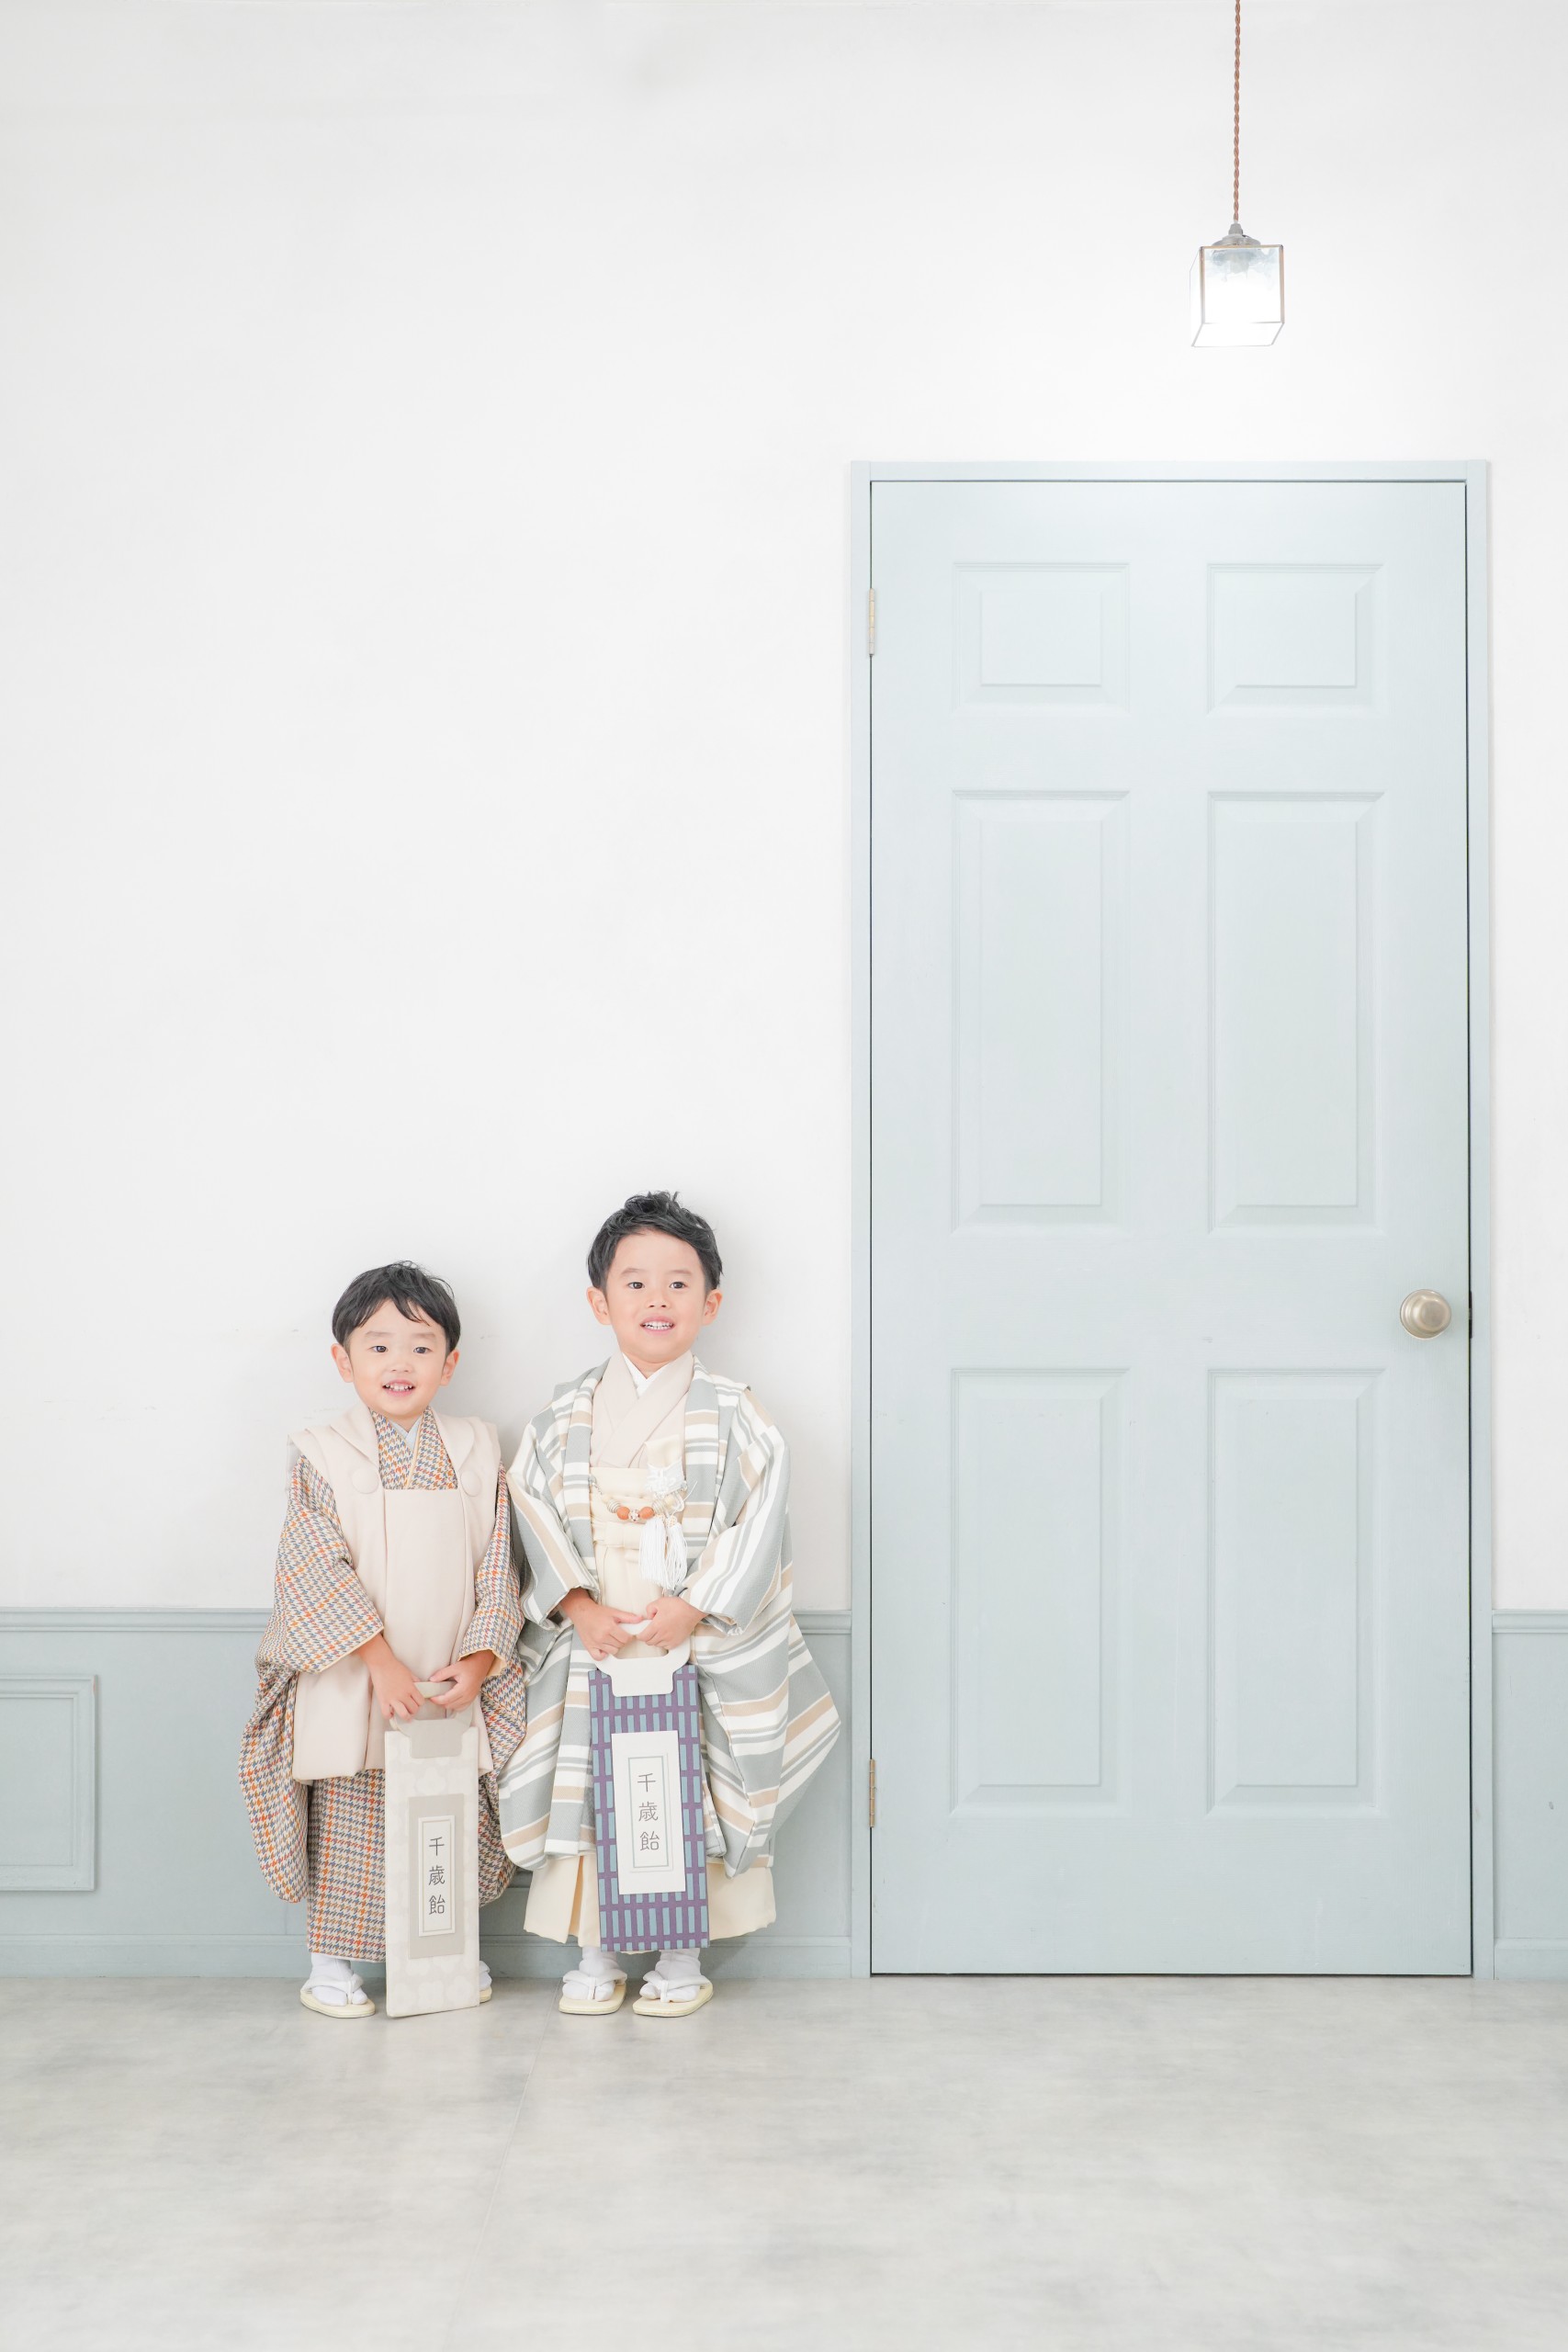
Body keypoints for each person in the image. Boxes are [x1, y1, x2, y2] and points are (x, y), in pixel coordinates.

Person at [501, 1191, 840, 2018]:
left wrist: (697, 1606)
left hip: (689, 1634)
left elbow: (759, 1523)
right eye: (635, 1282)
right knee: (594, 1786)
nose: (657, 1299)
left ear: (710, 1303)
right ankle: (594, 1952)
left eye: (679, 1283)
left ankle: (682, 1955)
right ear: (599, 1302)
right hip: (597, 1632)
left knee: (685, 1787)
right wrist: (577, 1606)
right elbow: (531, 1507)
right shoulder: (562, 1412)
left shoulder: (738, 1413)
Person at [240, 1262, 525, 2018]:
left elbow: (499, 1562)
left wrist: (480, 1659)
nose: (400, 1363)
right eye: (378, 1345)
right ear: (343, 1360)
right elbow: (313, 1563)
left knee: (446, 1807)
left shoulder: (476, 1448)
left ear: (449, 1363)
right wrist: (379, 1662)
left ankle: (446, 1951)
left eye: (421, 1346)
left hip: (447, 1670)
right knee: (352, 1811)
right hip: (357, 1670)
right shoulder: (320, 1451)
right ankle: (330, 1962)